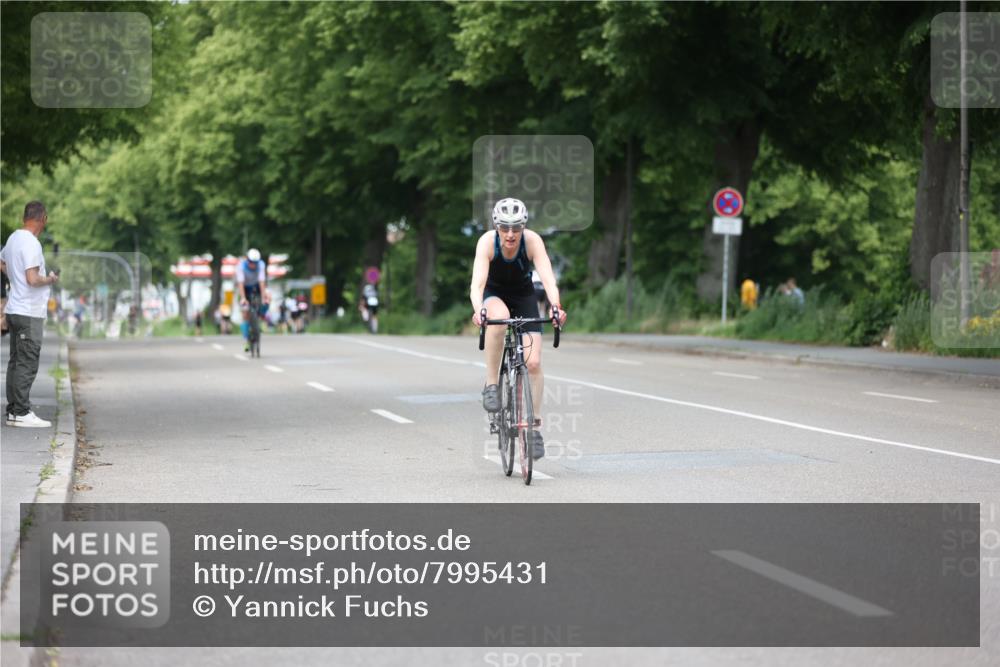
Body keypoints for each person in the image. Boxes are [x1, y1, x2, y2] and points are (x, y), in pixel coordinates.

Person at [470, 197, 567, 460]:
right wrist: (479, 309)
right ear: (496, 226)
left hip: (524, 295)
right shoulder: (487, 242)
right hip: (494, 294)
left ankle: (534, 429)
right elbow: (477, 285)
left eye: (516, 228)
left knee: (533, 363)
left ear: (523, 226)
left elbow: (548, 279)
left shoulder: (532, 241)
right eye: (505, 227)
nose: (510, 234)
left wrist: (555, 306)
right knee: (499, 318)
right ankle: (492, 385)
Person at [0, 201, 59, 428]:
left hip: (15, 309)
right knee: (27, 362)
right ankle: (21, 412)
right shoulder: (32, 243)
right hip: (28, 312)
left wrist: (14, 277)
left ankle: (14, 411)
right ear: (43, 218)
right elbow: (33, 279)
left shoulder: (13, 238)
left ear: (25, 217)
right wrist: (50, 279)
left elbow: (1, 262)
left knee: (16, 362)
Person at [235, 248, 269, 352]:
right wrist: (243, 298)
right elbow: (240, 283)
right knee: (245, 313)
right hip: (245, 288)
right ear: (247, 260)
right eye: (251, 262)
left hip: (256, 286)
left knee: (268, 297)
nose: (253, 265)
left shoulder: (261, 265)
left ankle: (262, 317)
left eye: (255, 263)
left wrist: (263, 298)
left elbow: (262, 282)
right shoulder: (241, 266)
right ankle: (246, 340)